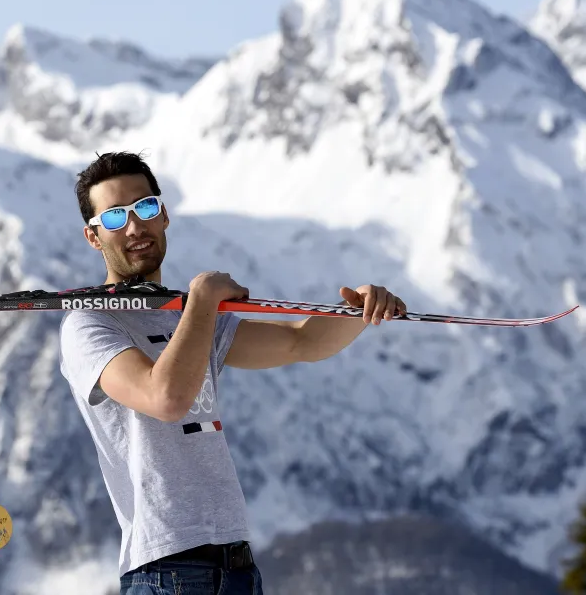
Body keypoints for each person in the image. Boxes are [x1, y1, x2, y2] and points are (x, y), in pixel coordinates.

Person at [58, 152, 408, 595]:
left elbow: (302, 342)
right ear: (93, 236)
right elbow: (165, 398)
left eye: (144, 208)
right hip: (165, 570)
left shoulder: (188, 317)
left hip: (237, 564)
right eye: (114, 217)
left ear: (163, 215)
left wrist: (359, 310)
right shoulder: (89, 324)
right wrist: (202, 300)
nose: (134, 227)